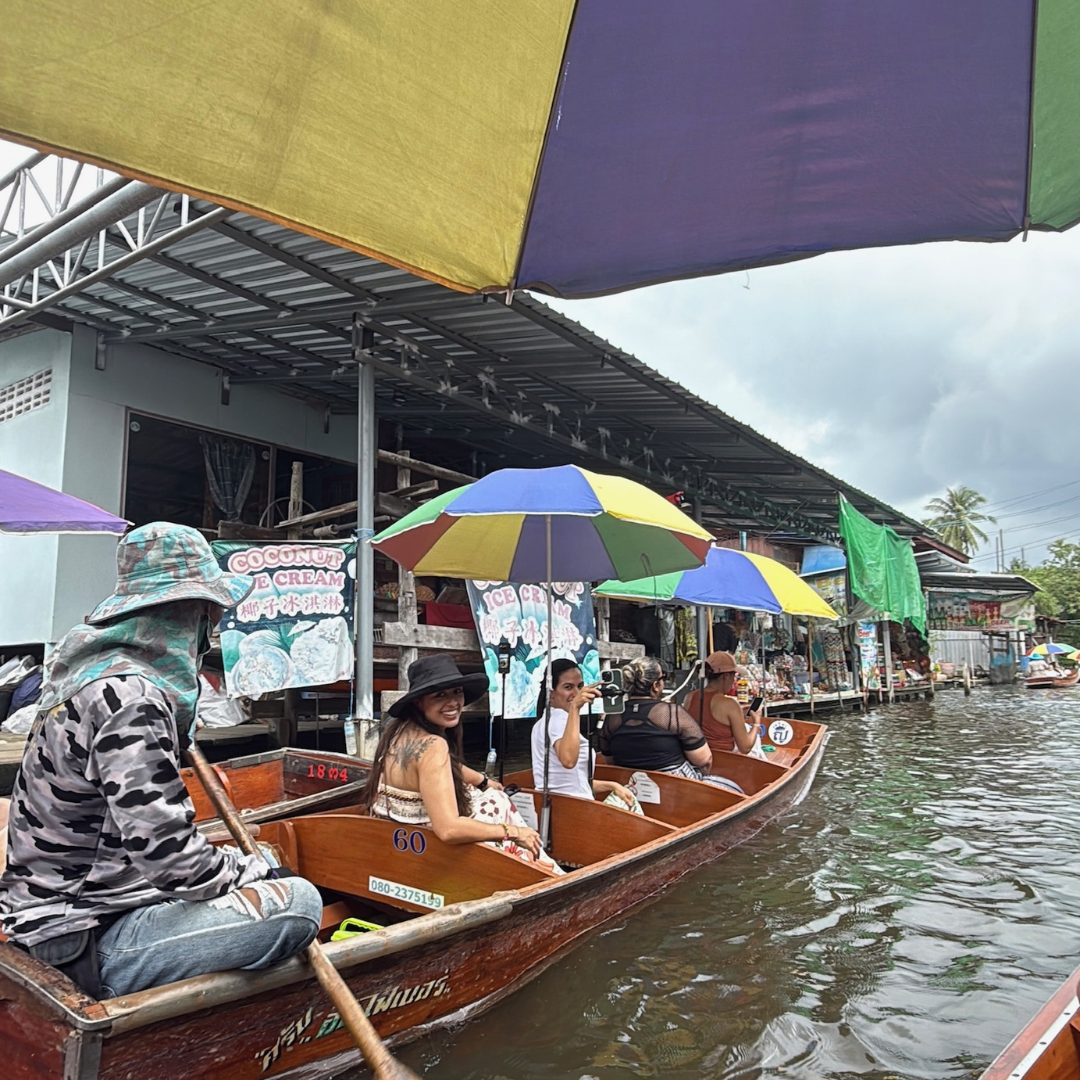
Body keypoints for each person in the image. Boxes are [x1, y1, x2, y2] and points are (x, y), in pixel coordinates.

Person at [0, 523, 323, 1000]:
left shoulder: (92, 675)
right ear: (189, 614)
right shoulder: (132, 698)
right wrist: (251, 872)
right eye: (209, 616)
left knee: (261, 861)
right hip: (82, 937)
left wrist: (244, 865)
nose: (209, 632)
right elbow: (170, 861)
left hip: (86, 904)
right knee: (299, 902)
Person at [360, 656, 563, 873]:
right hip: (429, 860)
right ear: (419, 701)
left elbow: (441, 768)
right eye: (440, 695)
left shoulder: (398, 732)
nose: (453, 703)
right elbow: (448, 829)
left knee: (492, 794)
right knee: (498, 801)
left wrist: (482, 780)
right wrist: (514, 832)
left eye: (457, 692)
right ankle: (543, 870)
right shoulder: (433, 745)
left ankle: (538, 863)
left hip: (402, 846)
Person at [597, 657, 744, 794]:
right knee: (735, 790)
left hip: (630, 786)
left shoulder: (612, 718)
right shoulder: (672, 714)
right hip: (675, 788)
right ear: (655, 685)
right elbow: (705, 761)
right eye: (663, 678)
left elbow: (610, 761)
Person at [531, 659, 638, 810]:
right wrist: (575, 707)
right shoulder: (558, 719)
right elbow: (568, 761)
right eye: (568, 687)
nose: (577, 693)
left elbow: (573, 782)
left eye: (580, 686)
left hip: (560, 804)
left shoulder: (546, 721)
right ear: (551, 693)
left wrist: (612, 785)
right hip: (572, 808)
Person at [683, 651, 762, 756]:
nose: (734, 681)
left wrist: (738, 715)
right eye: (733, 676)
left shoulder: (689, 697)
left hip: (696, 759)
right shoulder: (729, 704)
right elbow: (745, 747)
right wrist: (756, 723)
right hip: (724, 762)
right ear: (725, 676)